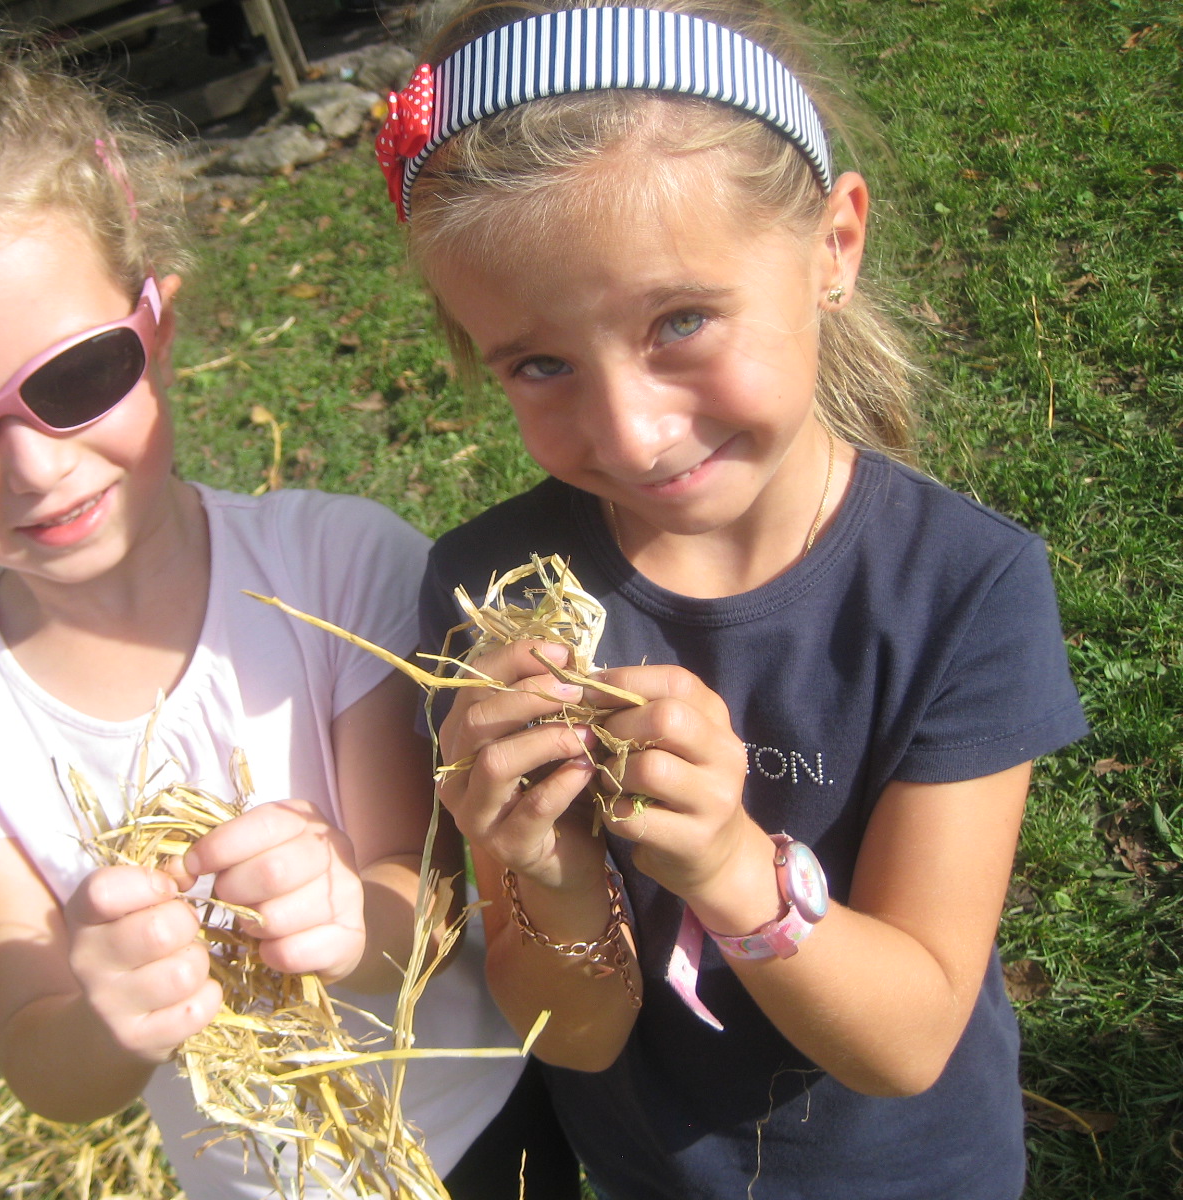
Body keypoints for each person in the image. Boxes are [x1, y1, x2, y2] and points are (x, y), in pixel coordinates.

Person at [0, 35, 563, 1199]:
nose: (34, 467)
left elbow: (422, 907)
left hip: (480, 1134)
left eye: (74, 378)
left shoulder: (333, 565)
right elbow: (44, 1064)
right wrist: (108, 1016)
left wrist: (346, 915)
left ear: (156, 329)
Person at [377, 1, 1088, 1196]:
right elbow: (574, 1037)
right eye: (541, 364)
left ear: (832, 247)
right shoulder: (489, 591)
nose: (630, 432)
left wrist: (727, 864)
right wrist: (545, 867)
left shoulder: (961, 591)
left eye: (681, 321)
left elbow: (908, 1042)